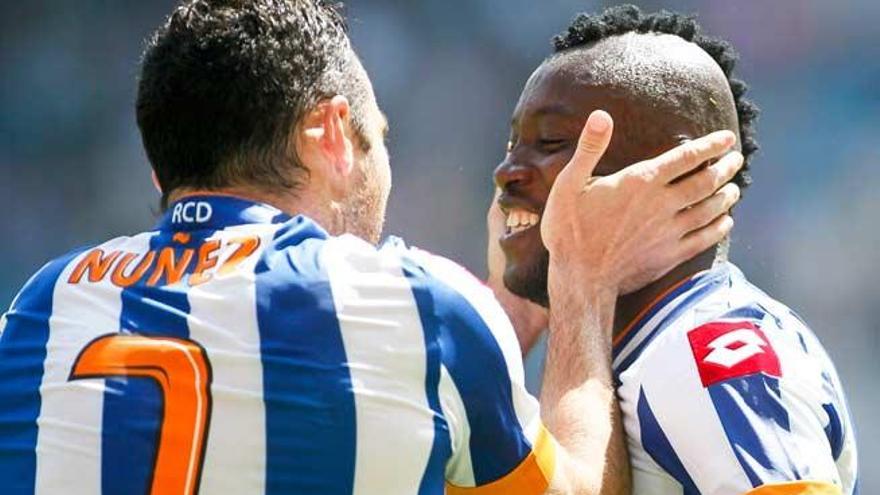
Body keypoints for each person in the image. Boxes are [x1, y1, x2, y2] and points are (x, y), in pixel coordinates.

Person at [0, 1, 741, 494]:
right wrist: (581, 278)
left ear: (161, 170)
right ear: (330, 134)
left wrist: (508, 315)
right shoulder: (415, 303)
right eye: (377, 136)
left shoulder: (40, 307)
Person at [489, 5, 858, 495]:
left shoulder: (704, 356)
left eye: (551, 140)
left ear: (679, 171)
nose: (506, 172)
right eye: (512, 143)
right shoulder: (637, 349)